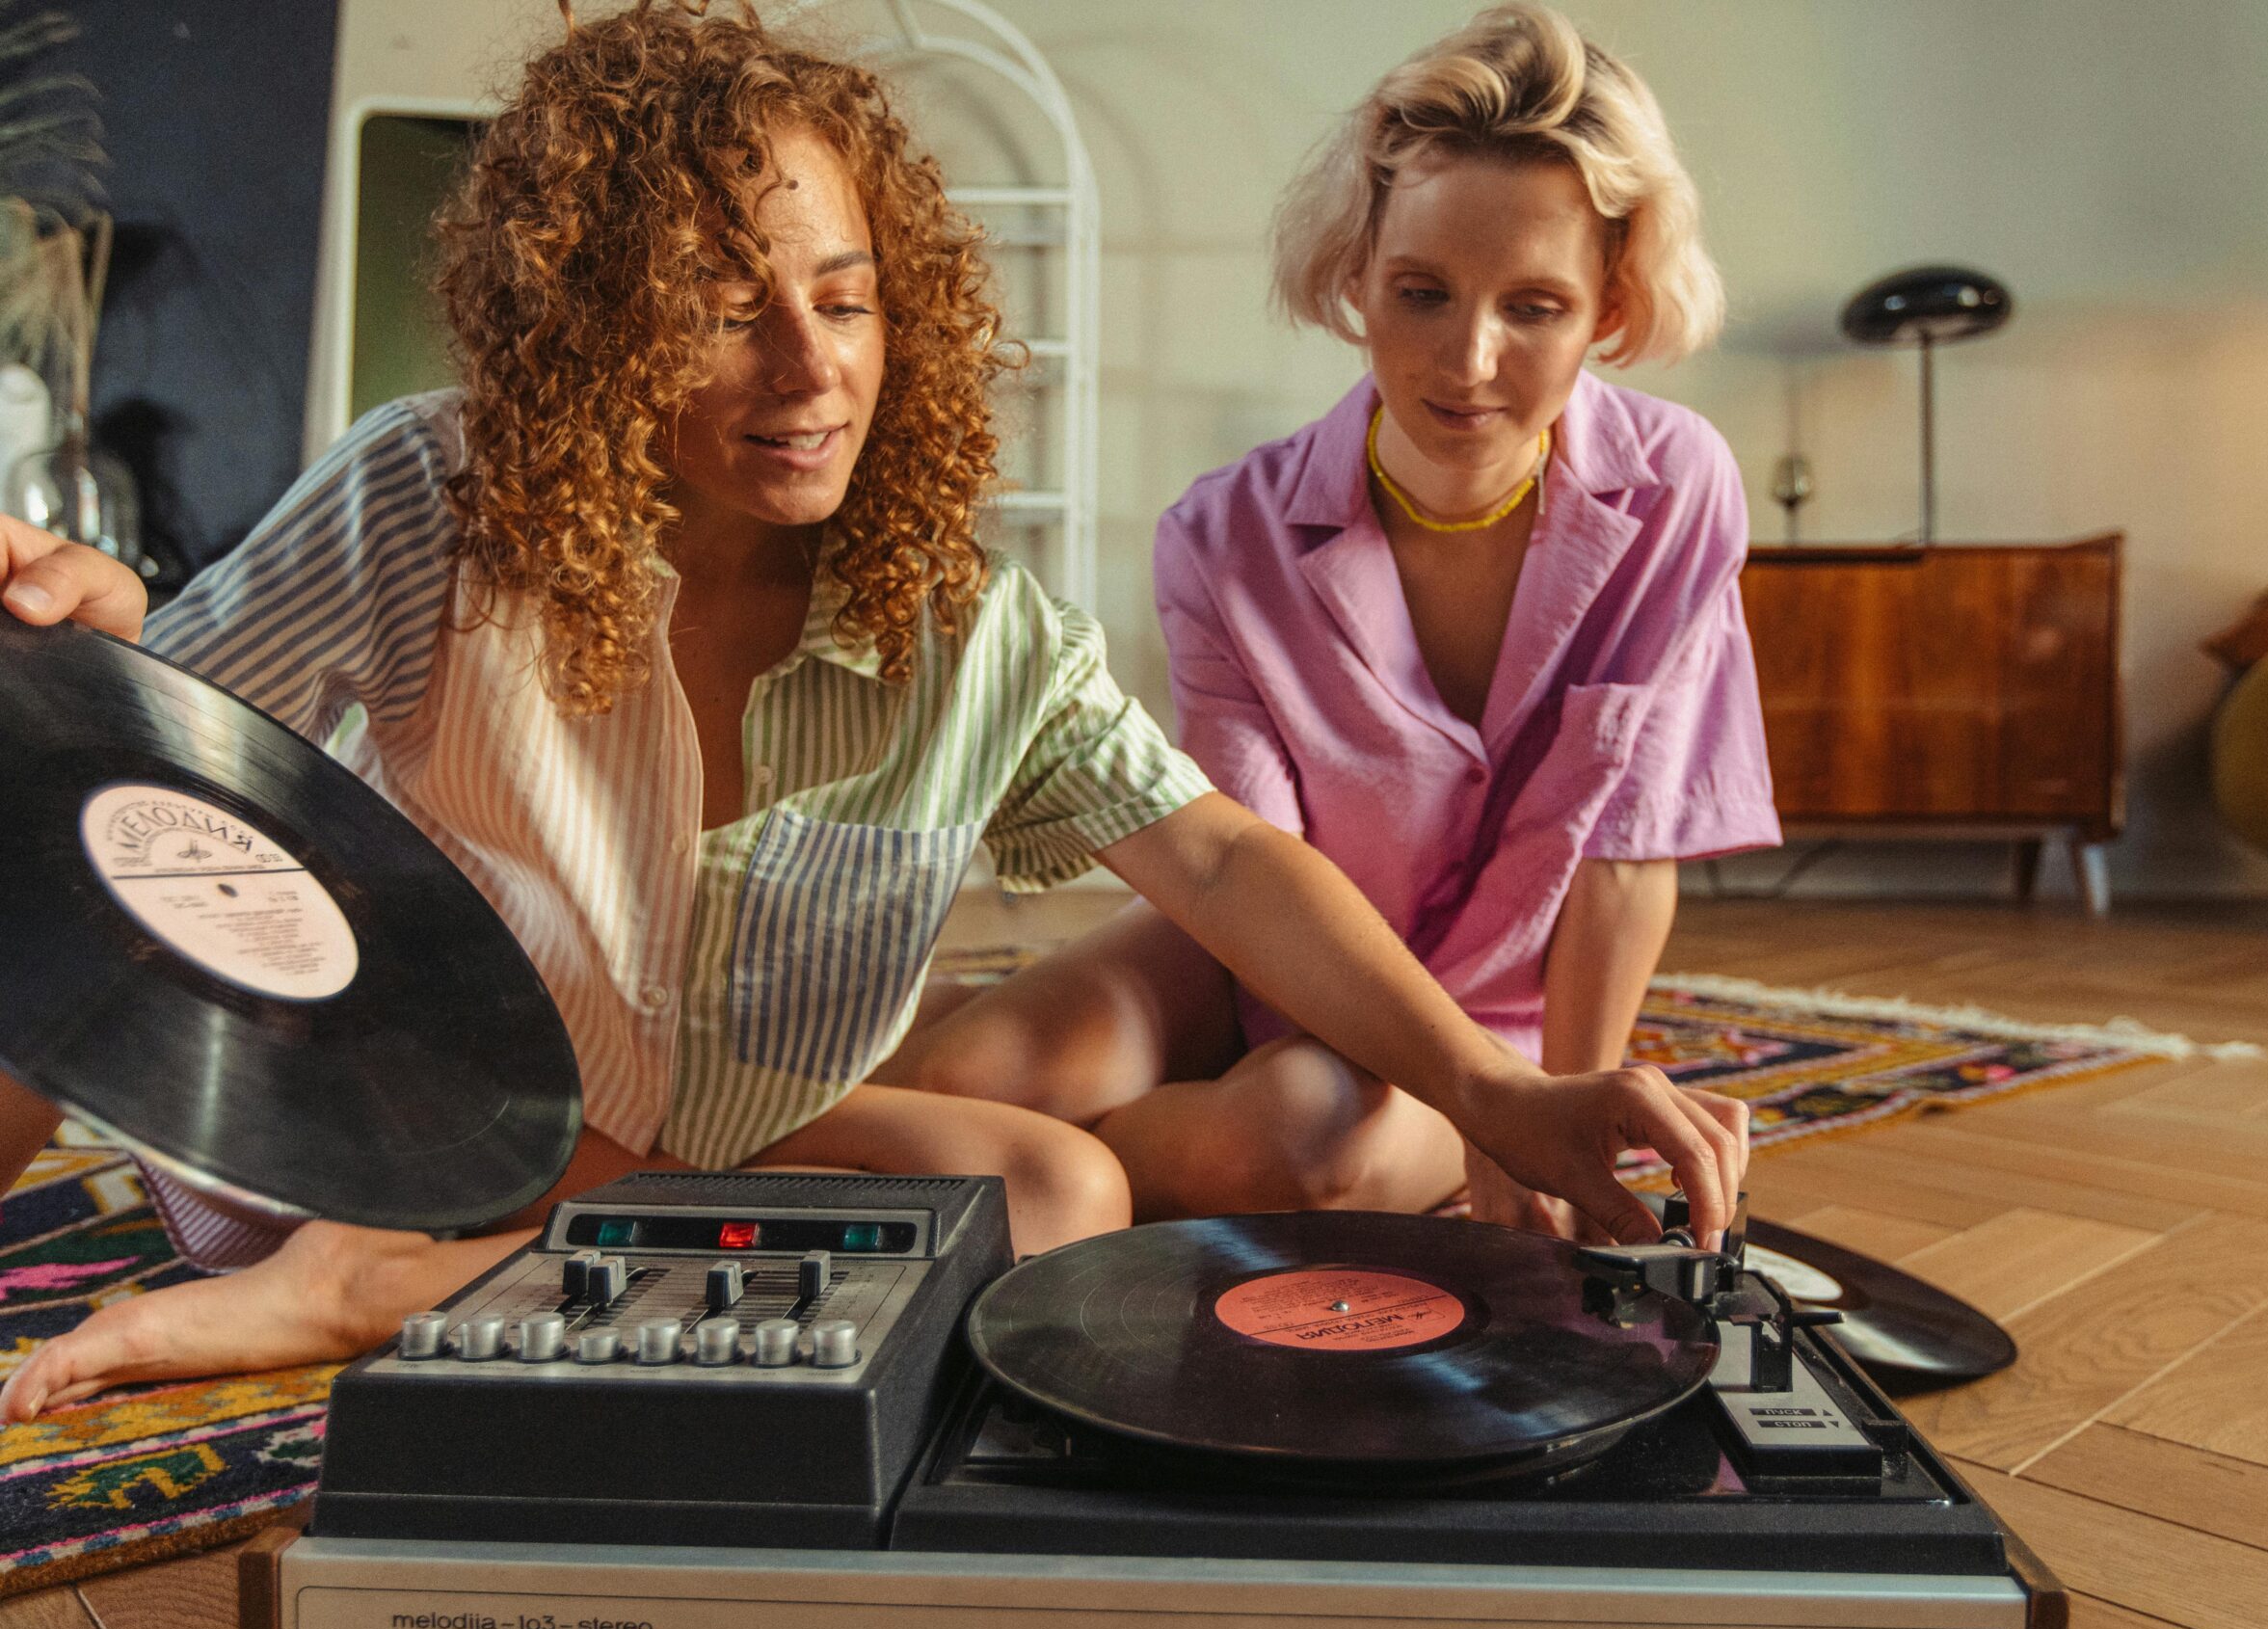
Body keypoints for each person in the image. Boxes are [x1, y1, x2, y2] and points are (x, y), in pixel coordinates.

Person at [0, 0, 1743, 1421]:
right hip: (393, 1123)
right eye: (720, 309)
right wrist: (116, 619)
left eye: (843, 300)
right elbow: (151, 749)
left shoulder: (965, 623)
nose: (811, 364)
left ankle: (388, 1288)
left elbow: (1213, 855)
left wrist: (1492, 1091)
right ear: (591, 330)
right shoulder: (428, 498)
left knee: (1063, 1196)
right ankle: (362, 1254)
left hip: (690, 1138)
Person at [879, 4, 1776, 1237]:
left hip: (1501, 1015)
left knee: (1285, 1147)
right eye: (1421, 293)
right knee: (963, 1084)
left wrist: (1547, 1106)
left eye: (1533, 307)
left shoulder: (1681, 490)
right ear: (1356, 276)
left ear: (1609, 307)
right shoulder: (1220, 535)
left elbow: (1626, 852)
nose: (1465, 359)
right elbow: (1250, 879)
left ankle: (1032, 1173)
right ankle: (969, 1124)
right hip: (1273, 946)